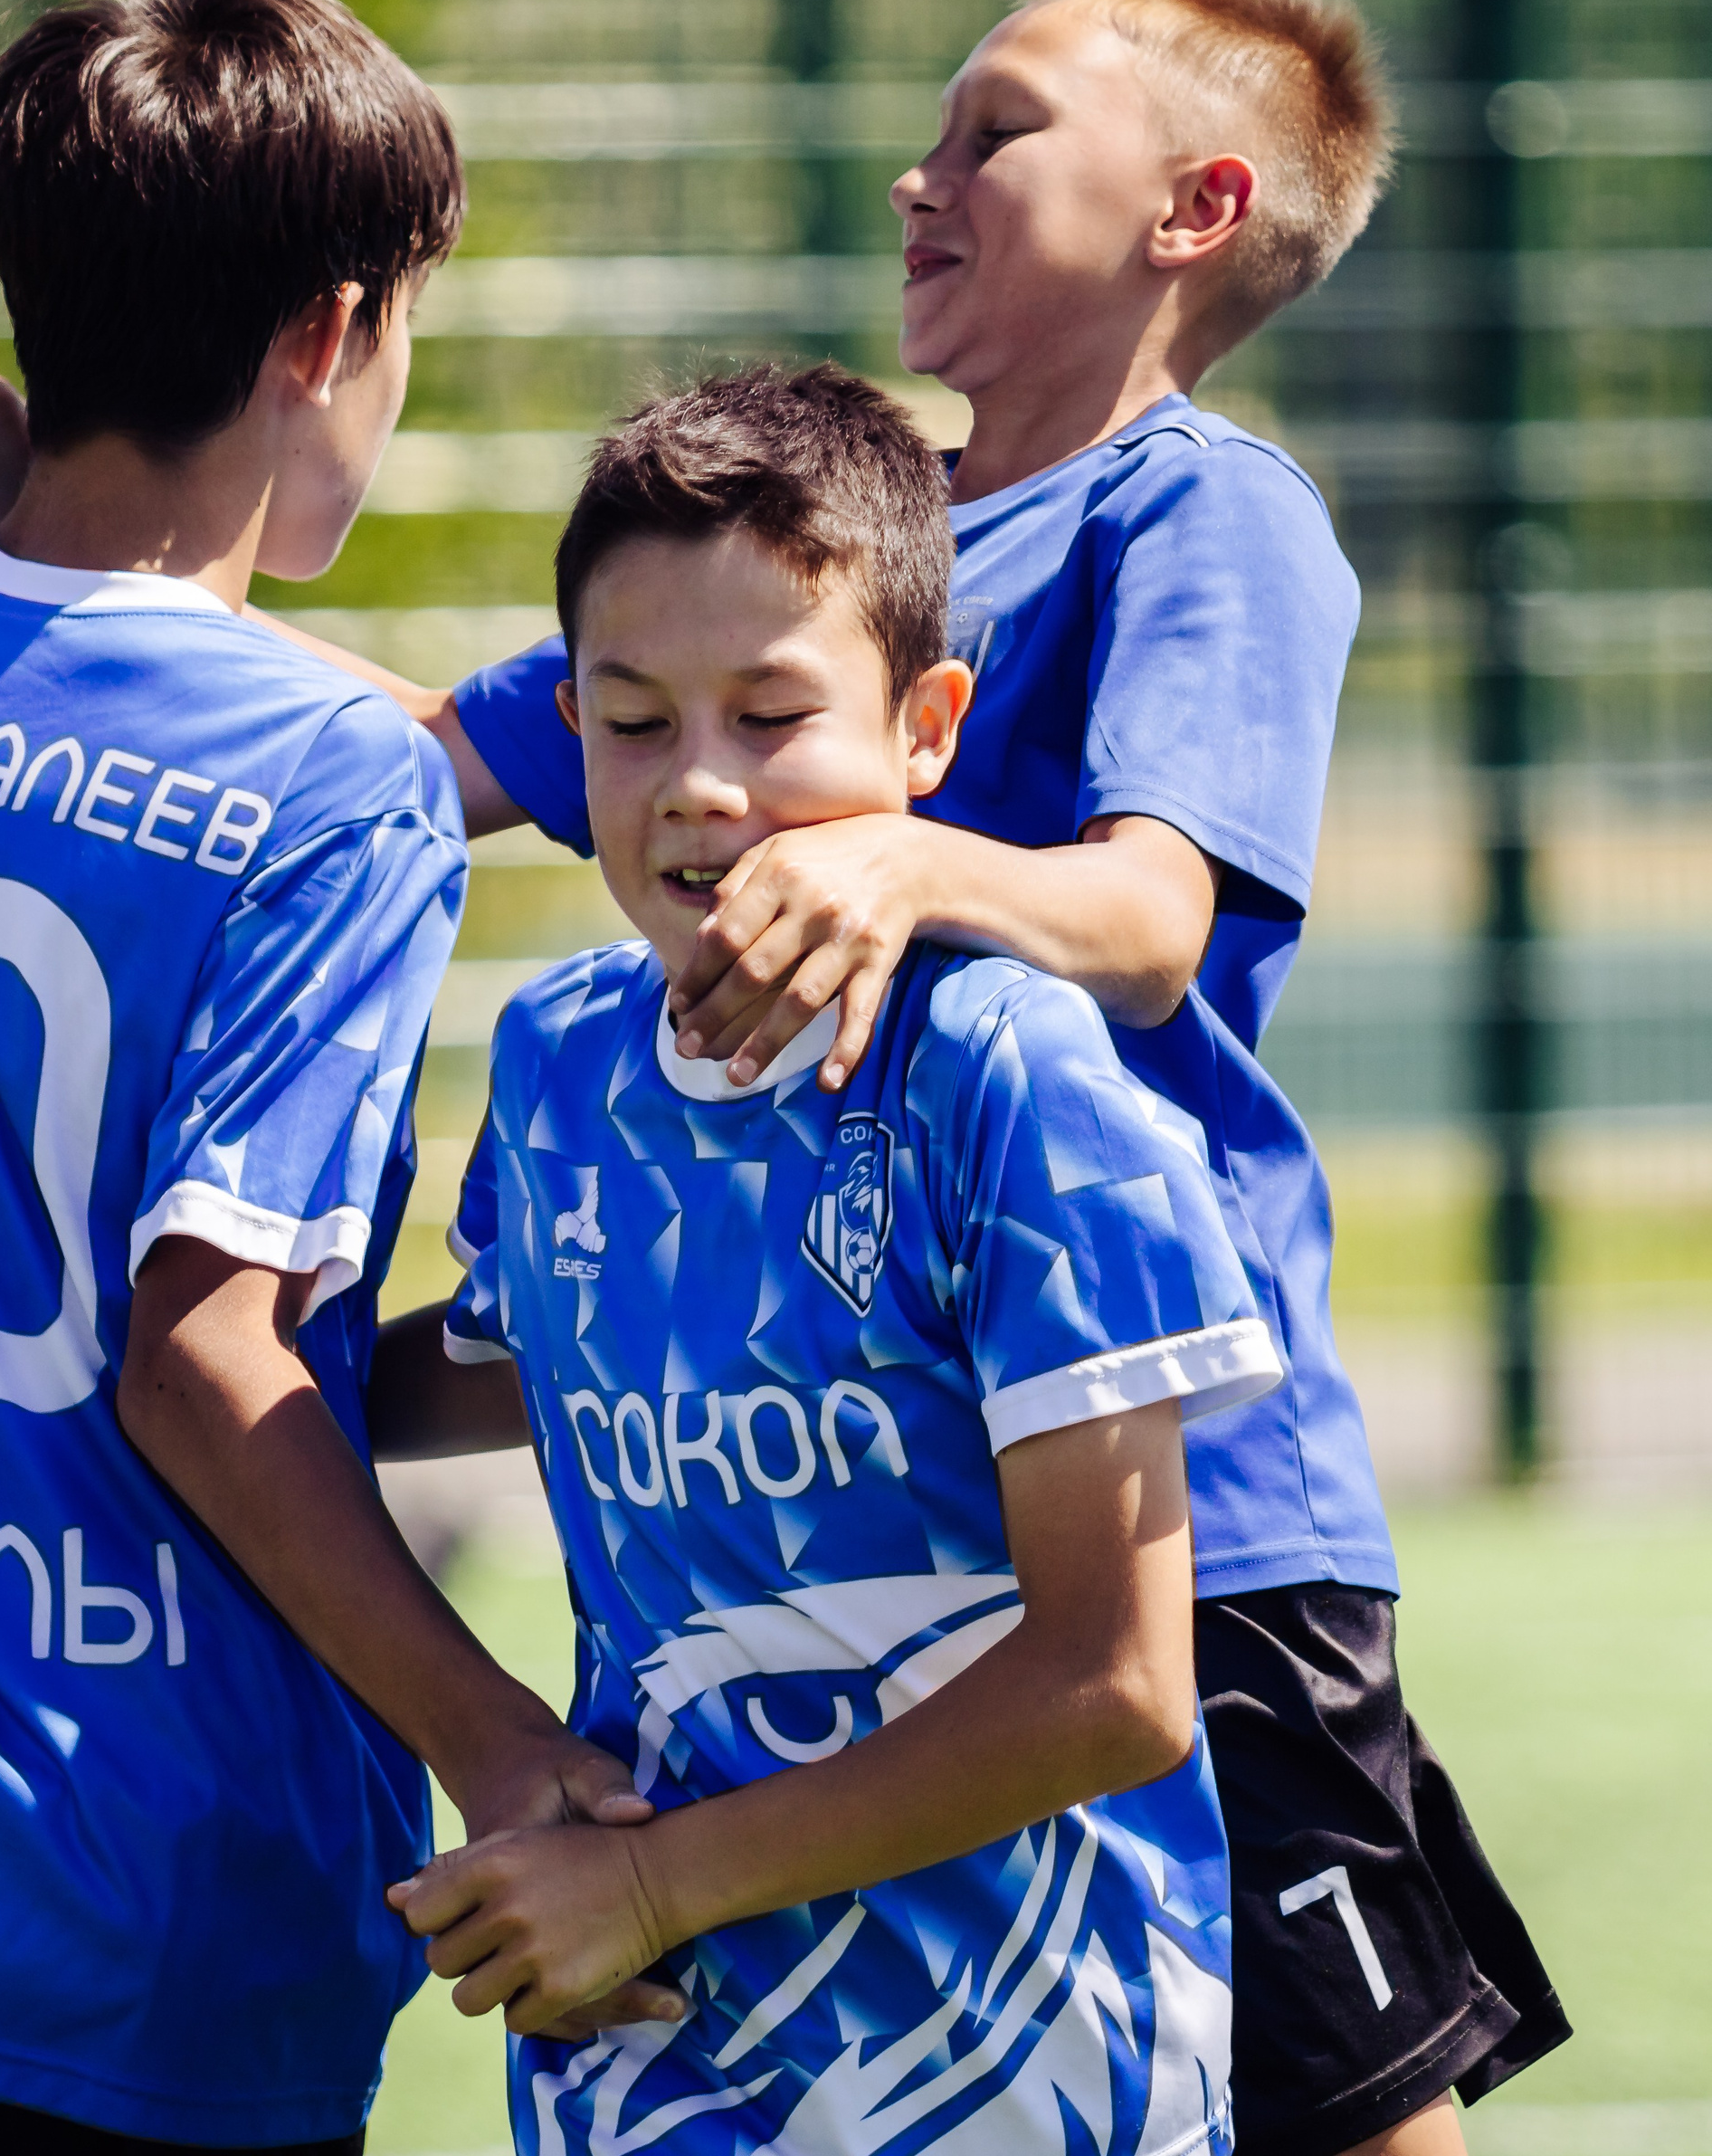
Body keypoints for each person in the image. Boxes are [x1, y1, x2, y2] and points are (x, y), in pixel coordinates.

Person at [0, 0, 1568, 2156]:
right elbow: (388, 749)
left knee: (1321, 2095)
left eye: (991, 132)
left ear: (1193, 214)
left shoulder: (1203, 506)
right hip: (816, 1511)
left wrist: (914, 867)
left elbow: (1153, 913)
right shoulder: (812, 545)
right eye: (639, 719)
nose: (918, 173)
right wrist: (41, 526)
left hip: (1161, 1487)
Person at [0, 0, 663, 2153]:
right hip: (142, 1924)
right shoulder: (330, 783)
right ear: (324, 332)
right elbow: (200, 1362)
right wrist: (498, 1743)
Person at [377, 360, 1280, 2153]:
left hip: (1022, 2080)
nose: (698, 786)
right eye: (631, 722)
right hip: (655, 2071)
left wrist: (647, 1887)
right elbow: (495, 1367)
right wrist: (188, 1373)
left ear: (925, 730)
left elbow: (1115, 1684)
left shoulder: (1007, 1073)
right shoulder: (559, 1056)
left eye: (769, 714)